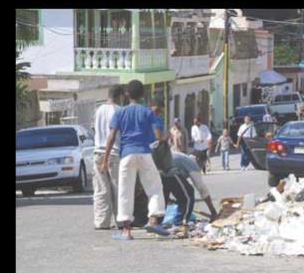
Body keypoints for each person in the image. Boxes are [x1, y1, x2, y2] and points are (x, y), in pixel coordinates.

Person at [100, 80, 169, 240]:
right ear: (143, 95)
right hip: (144, 153)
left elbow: (111, 138)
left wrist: (105, 160)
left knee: (125, 190)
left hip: (126, 155)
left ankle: (126, 231)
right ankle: (153, 220)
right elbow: (158, 135)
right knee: (154, 187)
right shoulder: (147, 112)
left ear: (127, 95)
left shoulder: (120, 113)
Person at [92, 84, 124, 230]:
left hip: (97, 153)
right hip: (114, 154)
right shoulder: (119, 111)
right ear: (120, 96)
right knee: (118, 189)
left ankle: (101, 221)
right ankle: (121, 220)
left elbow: (95, 130)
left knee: (101, 189)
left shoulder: (98, 110)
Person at [170, 151, 218, 220]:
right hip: (166, 169)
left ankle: (156, 220)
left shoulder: (184, 159)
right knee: (188, 194)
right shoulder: (192, 164)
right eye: (204, 163)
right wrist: (213, 211)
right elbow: (202, 189)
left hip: (158, 165)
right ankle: (180, 221)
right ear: (198, 159)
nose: (204, 166)